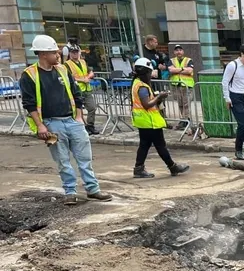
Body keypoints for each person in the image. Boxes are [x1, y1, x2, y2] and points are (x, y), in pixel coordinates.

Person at [20, 35, 112, 205]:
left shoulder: (63, 70)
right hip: (51, 123)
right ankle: (70, 191)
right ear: (43, 54)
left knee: (85, 157)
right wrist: (40, 126)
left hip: (71, 120)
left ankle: (93, 189)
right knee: (63, 160)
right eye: (54, 53)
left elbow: (76, 94)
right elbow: (29, 103)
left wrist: (78, 116)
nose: (58, 55)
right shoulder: (29, 75)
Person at [130, 58, 190, 178]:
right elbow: (146, 104)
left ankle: (139, 168)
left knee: (144, 145)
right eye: (149, 73)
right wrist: (159, 97)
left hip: (142, 120)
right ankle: (172, 167)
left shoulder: (136, 83)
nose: (151, 76)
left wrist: (156, 96)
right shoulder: (142, 87)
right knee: (160, 145)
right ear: (145, 72)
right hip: (150, 121)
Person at [64, 45, 98, 135]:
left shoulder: (83, 62)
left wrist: (88, 76)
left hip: (86, 89)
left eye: (76, 52)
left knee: (92, 108)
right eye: (73, 52)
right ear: (70, 53)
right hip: (76, 90)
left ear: (79, 53)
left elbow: (90, 71)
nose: (75, 54)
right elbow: (69, 77)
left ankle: (90, 126)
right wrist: (83, 80)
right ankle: (83, 126)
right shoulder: (67, 64)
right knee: (79, 110)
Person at [166, 45, 194, 129]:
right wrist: (183, 69)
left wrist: (177, 69)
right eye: (177, 50)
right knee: (180, 104)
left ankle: (186, 120)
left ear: (183, 51)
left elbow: (189, 71)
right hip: (176, 85)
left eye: (180, 50)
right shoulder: (171, 61)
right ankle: (185, 119)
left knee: (186, 104)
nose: (178, 52)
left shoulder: (188, 60)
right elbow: (171, 70)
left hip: (187, 85)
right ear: (174, 52)